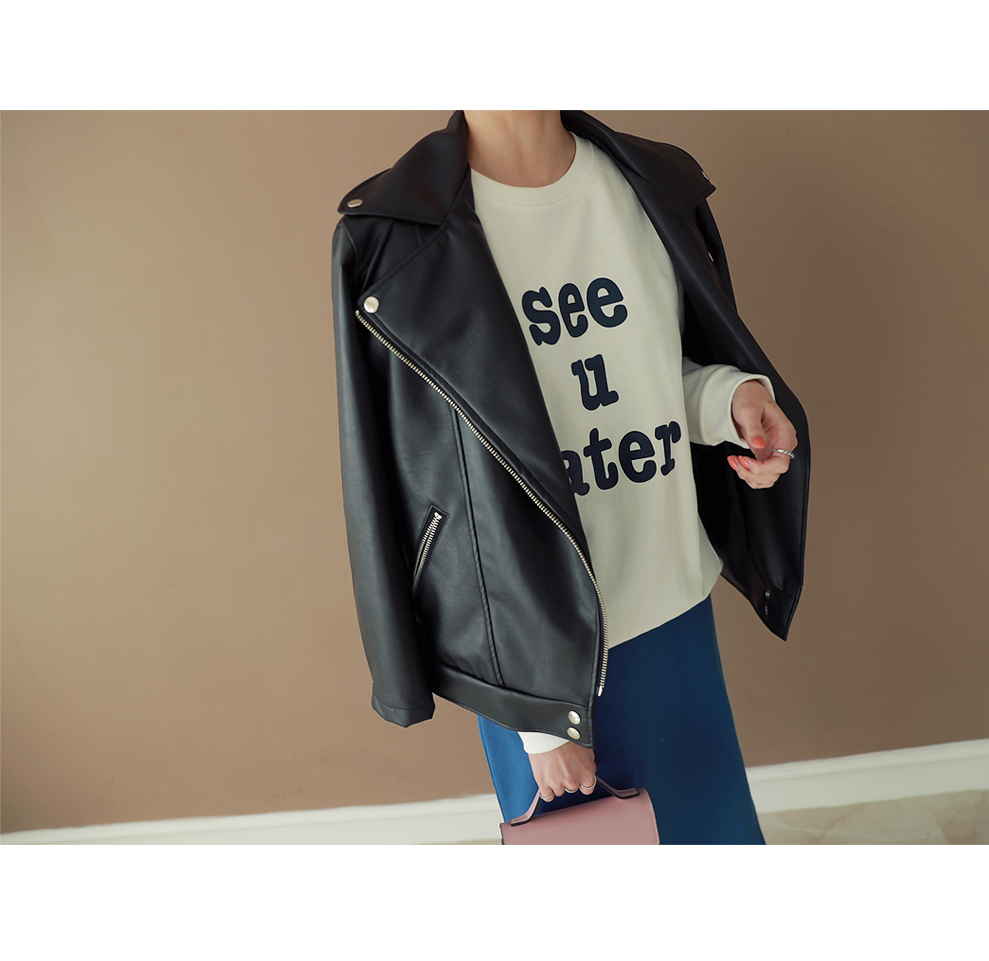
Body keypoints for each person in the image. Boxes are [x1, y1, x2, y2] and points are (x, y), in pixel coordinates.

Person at [331, 110, 809, 843]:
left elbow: (647, 374)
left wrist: (731, 399)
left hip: (673, 600)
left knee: (713, 841)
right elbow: (433, 481)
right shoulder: (396, 235)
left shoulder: (650, 183)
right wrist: (536, 718)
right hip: (536, 646)